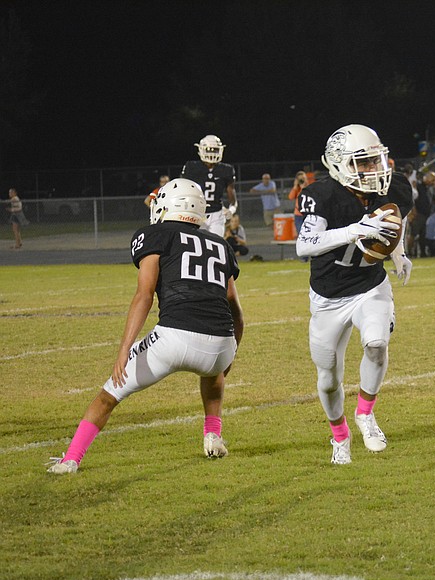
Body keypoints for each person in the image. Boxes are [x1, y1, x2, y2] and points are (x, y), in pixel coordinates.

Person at [47, 179, 244, 474]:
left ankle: (71, 459)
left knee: (108, 395)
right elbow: (235, 310)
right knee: (213, 375)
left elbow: (144, 294)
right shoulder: (220, 243)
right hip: (223, 344)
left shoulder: (154, 234)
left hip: (175, 338)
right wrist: (231, 353)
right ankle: (213, 434)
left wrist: (124, 349)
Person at [295, 124, 412, 465]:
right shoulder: (321, 194)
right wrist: (353, 231)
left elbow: (393, 221)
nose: (373, 170)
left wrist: (397, 252)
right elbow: (305, 245)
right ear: (338, 164)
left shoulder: (393, 186)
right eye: (362, 163)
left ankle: (366, 413)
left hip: (369, 286)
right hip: (328, 296)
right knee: (329, 379)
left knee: (376, 345)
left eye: (376, 161)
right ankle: (340, 436)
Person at [181, 134, 238, 237]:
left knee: (216, 244)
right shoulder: (192, 167)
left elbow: (232, 194)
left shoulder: (226, 169)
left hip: (217, 214)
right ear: (201, 150)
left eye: (214, 150)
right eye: (209, 149)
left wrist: (231, 210)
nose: (212, 153)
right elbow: (182, 190)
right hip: (196, 212)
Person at [406, 170, 435, 258]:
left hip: (426, 214)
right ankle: (410, 252)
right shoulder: (418, 186)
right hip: (418, 214)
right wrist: (413, 210)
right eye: (432, 179)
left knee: (423, 235)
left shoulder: (429, 189)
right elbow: (412, 198)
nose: (433, 182)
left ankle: (423, 252)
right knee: (413, 233)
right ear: (426, 178)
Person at [289, 171, 309, 235]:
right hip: (298, 214)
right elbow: (291, 197)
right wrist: (295, 186)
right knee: (301, 233)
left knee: (308, 233)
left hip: (308, 214)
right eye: (300, 179)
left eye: (303, 178)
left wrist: (304, 187)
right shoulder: (297, 189)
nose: (302, 180)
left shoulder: (310, 187)